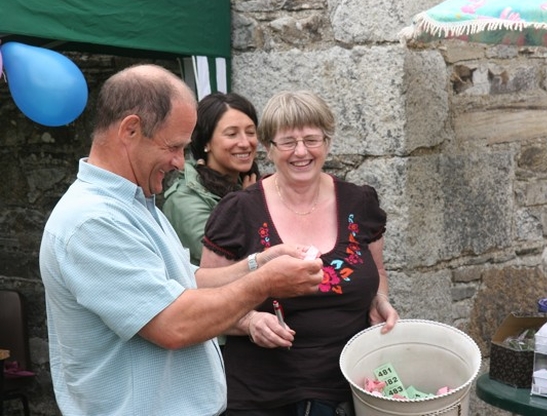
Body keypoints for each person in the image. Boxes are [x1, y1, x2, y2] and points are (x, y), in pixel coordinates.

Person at [38, 65, 323, 416]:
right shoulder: (93, 221)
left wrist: (259, 262)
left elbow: (184, 283)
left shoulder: (134, 202)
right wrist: (265, 282)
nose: (178, 162)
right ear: (130, 130)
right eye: (173, 146)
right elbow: (173, 323)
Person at [200, 89, 399, 415]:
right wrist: (248, 321)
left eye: (312, 139)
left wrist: (380, 301)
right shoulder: (239, 210)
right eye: (288, 142)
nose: (301, 152)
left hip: (348, 392)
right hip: (262, 396)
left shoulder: (359, 203)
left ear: (328, 143)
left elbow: (376, 272)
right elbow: (203, 290)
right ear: (268, 148)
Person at [163, 92, 261, 265]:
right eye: (232, 134)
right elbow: (224, 261)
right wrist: (249, 207)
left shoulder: (248, 184)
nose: (245, 143)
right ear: (206, 142)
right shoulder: (185, 200)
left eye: (251, 132)